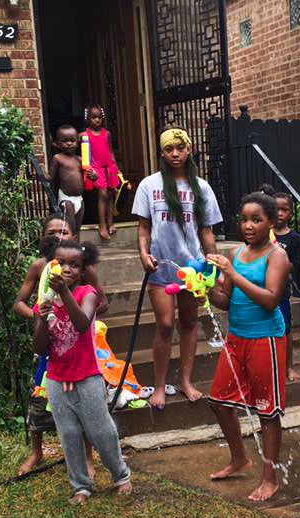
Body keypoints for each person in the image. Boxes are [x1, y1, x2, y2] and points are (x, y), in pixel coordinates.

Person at [33, 238, 132, 504]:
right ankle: (81, 486)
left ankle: (120, 475)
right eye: (61, 263)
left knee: (101, 431)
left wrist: (64, 293)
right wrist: (42, 318)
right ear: (51, 265)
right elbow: (39, 346)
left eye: (74, 265)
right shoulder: (44, 300)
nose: (67, 269)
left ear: (83, 269)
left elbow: (80, 323)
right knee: (69, 434)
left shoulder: (86, 293)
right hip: (56, 380)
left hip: (87, 377)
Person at [205, 192, 289, 502]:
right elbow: (225, 302)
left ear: (271, 222)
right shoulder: (238, 253)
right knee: (218, 402)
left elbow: (270, 299)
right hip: (236, 337)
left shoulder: (277, 256)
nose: (249, 225)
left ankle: (270, 478)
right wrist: (205, 290)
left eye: (257, 219)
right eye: (244, 219)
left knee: (267, 411)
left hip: (265, 339)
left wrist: (232, 274)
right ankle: (239, 457)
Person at [133, 127, 223, 409]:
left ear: (188, 150)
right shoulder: (149, 185)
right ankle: (159, 386)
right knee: (165, 324)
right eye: (169, 149)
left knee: (189, 322)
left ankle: (185, 380)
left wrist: (213, 266)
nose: (175, 154)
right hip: (160, 266)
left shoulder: (201, 187)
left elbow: (206, 231)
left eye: (180, 148)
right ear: (161, 152)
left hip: (192, 267)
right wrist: (143, 254)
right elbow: (144, 227)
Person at [13, 216, 106, 475]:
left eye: (64, 231)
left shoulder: (83, 270)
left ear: (74, 236)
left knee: (83, 401)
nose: (59, 236)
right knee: (39, 399)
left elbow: (102, 302)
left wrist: (81, 311)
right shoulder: (39, 267)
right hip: (49, 341)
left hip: (77, 342)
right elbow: (19, 303)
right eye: (52, 232)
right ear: (45, 239)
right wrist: (42, 316)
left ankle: (87, 456)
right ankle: (36, 452)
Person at [262, 186, 300, 383]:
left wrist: (280, 259)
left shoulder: (293, 238)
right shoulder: (264, 233)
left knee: (285, 329)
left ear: (291, 213)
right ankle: (267, 365)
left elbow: (295, 266)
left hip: (282, 292)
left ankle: (289, 366)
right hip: (262, 289)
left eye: (284, 209)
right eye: (275, 209)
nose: (279, 213)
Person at [82, 105, 122, 241]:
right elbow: (80, 153)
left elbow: (110, 151)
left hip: (109, 167)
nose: (97, 120)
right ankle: (102, 225)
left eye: (99, 117)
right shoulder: (84, 135)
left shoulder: (107, 133)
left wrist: (116, 166)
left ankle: (111, 223)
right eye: (93, 118)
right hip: (96, 169)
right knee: (103, 194)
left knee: (111, 195)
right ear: (87, 119)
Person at [48, 125, 85, 232]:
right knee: (71, 227)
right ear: (57, 143)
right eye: (64, 141)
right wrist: (40, 173)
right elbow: (50, 177)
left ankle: (76, 248)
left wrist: (94, 176)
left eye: (72, 141)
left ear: (77, 143)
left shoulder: (80, 160)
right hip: (66, 198)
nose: (69, 143)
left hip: (79, 199)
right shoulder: (58, 158)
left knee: (77, 228)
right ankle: (69, 246)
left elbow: (89, 177)